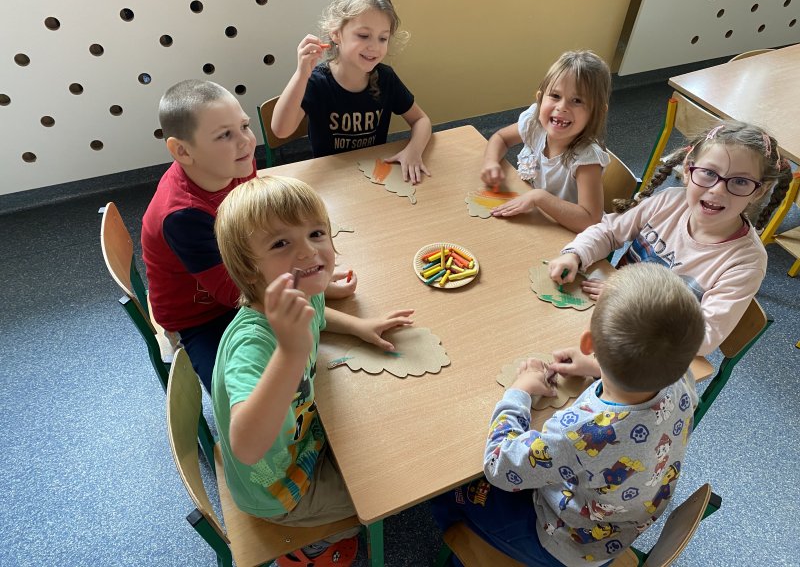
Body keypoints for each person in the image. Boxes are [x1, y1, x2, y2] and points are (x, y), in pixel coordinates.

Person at [431, 263, 705, 567]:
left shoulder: (580, 434)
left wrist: (519, 392)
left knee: (449, 488)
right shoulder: (682, 380)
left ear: (588, 343)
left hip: (564, 544)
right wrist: (600, 366)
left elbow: (499, 465)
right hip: (617, 530)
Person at [212, 175, 414, 567]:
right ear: (249, 269)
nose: (308, 251)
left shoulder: (302, 293)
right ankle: (312, 544)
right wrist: (290, 353)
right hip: (278, 490)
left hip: (305, 440)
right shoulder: (252, 346)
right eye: (281, 243)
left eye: (316, 233)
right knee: (387, 493)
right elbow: (247, 446)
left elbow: (317, 317)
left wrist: (358, 326)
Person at [142, 80, 355, 394]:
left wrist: (307, 273)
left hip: (246, 276)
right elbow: (232, 293)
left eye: (244, 126)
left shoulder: (236, 163)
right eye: (225, 135)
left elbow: (260, 228)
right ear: (182, 151)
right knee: (242, 391)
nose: (245, 141)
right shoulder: (183, 216)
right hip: (202, 315)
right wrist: (308, 280)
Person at [545, 120, 791, 380]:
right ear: (687, 169)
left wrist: (629, 299)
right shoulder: (669, 202)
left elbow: (704, 337)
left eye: (740, 181)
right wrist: (575, 254)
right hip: (607, 317)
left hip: (653, 357)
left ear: (760, 190)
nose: (718, 190)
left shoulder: (746, 262)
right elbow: (608, 230)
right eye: (708, 173)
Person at [271, 0, 432, 184]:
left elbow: (421, 120)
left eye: (383, 38)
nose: (374, 47)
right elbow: (281, 130)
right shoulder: (316, 82)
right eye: (363, 35)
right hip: (332, 180)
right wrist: (301, 74)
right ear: (336, 34)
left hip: (373, 176)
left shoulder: (386, 78)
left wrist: (413, 151)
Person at [481, 50, 612, 233]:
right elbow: (501, 138)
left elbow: (589, 220)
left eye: (577, 100)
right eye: (555, 96)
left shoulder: (586, 159)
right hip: (539, 220)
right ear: (540, 98)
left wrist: (539, 197)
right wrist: (491, 162)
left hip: (567, 235)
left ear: (597, 113)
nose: (562, 107)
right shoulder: (535, 124)